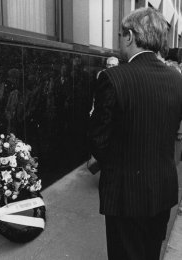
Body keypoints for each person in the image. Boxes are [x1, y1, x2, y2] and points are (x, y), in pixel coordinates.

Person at [89, 7, 182, 260]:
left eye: (121, 34)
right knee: (150, 253)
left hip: (125, 195)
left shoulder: (112, 77)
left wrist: (120, 166)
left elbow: (98, 140)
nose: (121, 39)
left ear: (130, 36)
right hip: (162, 189)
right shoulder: (177, 79)